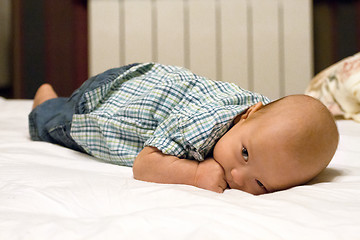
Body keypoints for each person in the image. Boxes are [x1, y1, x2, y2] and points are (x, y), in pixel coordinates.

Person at [29, 63, 339, 195]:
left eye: (260, 183)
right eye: (244, 153)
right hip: (105, 101)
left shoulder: (263, 124)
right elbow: (144, 163)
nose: (237, 176)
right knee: (53, 122)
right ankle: (46, 98)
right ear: (248, 115)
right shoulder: (205, 122)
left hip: (144, 79)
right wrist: (194, 174)